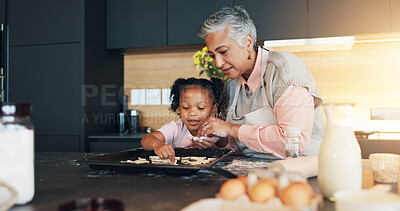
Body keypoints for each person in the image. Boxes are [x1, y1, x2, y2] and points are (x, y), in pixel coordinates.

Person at [196, 5, 326, 159]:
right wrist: (221, 140)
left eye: (223, 52)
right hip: (258, 170)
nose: (218, 63)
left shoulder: (285, 71)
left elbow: (293, 144)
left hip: (306, 171)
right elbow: (242, 145)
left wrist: (231, 128)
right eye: (212, 55)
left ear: (248, 42)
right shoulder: (232, 86)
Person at [141, 77, 232, 162]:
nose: (192, 113)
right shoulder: (176, 129)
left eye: (200, 108)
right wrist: (157, 145)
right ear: (179, 107)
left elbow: (226, 143)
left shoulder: (217, 128)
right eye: (185, 107)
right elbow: (146, 139)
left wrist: (219, 139)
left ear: (213, 110)